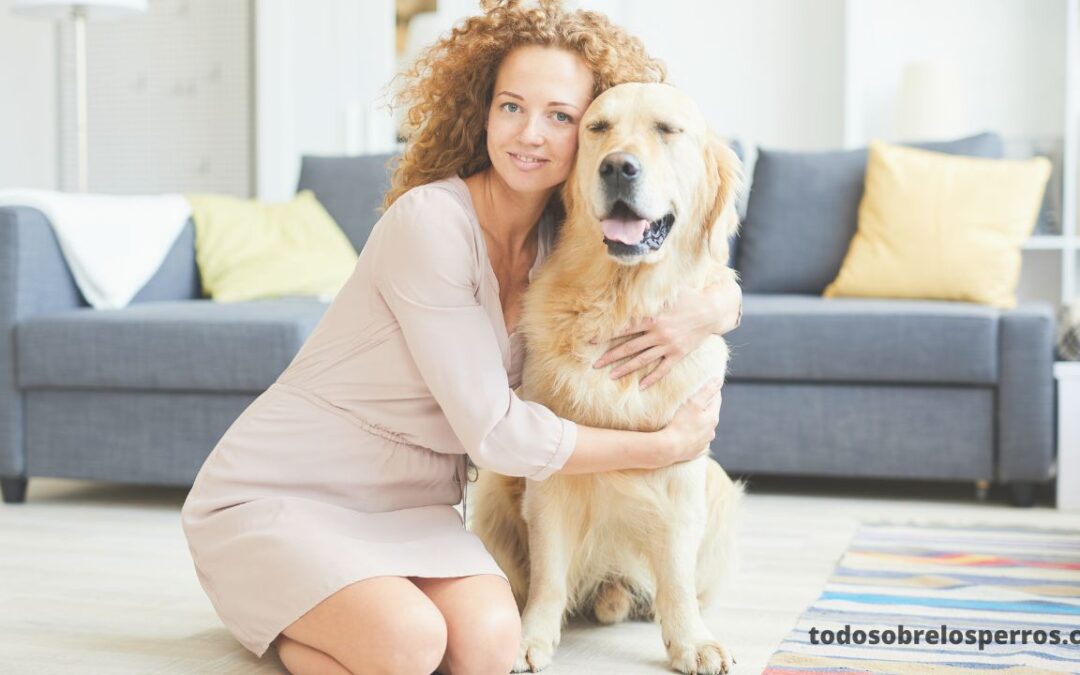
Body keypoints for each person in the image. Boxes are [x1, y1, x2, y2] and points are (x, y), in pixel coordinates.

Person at [180, 1, 743, 674]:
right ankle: (286, 616)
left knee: (484, 647)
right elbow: (498, 434)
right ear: (481, 110)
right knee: (409, 645)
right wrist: (665, 445)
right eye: (511, 106)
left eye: (561, 116)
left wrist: (714, 310)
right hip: (286, 491)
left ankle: (343, 611)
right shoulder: (430, 224)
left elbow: (697, 253)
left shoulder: (560, 240)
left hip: (406, 506)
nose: (530, 134)